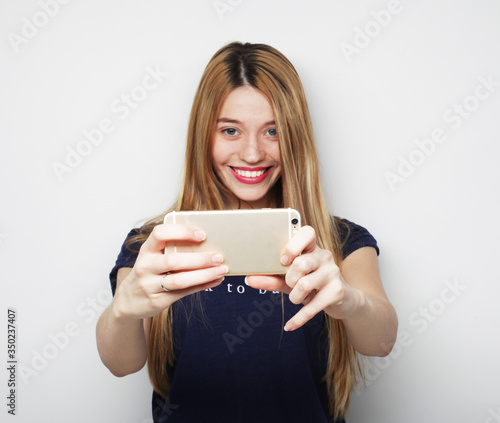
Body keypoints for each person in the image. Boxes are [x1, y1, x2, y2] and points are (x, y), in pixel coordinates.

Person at [96, 41, 398, 423]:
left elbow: (382, 341)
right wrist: (122, 311)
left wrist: (348, 301)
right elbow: (120, 364)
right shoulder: (153, 244)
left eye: (272, 131)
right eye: (230, 131)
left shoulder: (340, 241)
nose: (253, 154)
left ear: (296, 136)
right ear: (203, 135)